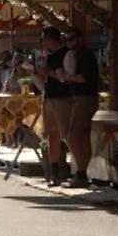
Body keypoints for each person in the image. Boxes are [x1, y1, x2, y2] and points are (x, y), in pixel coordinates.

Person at [62, 29, 102, 187]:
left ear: (79, 39)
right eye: (66, 39)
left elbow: (84, 78)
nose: (68, 42)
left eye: (71, 39)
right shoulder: (76, 55)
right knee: (82, 137)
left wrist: (66, 77)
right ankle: (82, 172)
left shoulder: (85, 55)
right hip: (79, 97)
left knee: (72, 136)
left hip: (85, 98)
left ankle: (81, 173)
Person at [35, 27, 74, 187]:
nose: (42, 43)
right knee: (52, 135)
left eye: (43, 39)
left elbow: (65, 75)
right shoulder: (49, 56)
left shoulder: (65, 54)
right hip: (50, 96)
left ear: (51, 39)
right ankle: (55, 173)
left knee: (67, 134)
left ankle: (78, 170)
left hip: (62, 97)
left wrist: (48, 72)